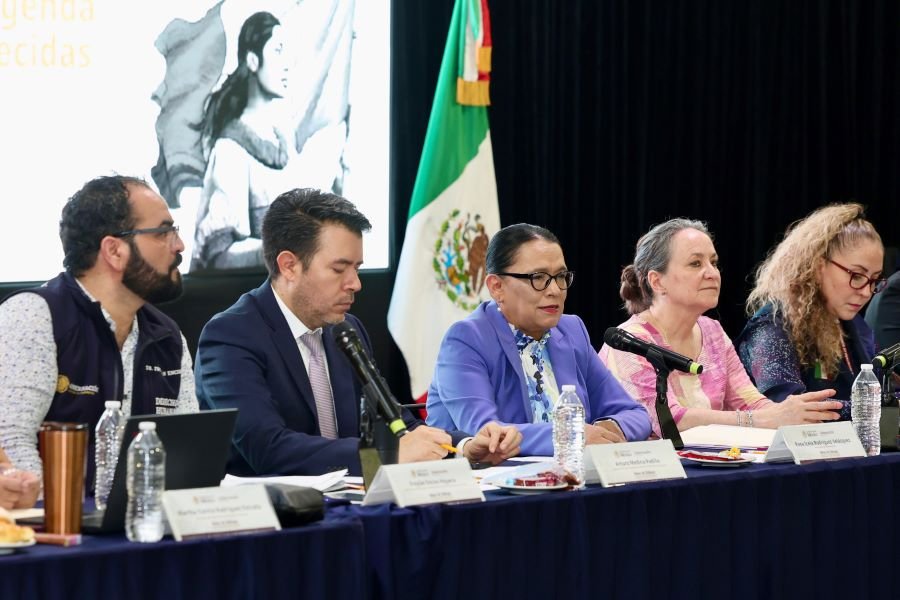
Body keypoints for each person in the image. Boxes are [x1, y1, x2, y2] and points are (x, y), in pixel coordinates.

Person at [195, 188, 521, 476]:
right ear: (289, 265)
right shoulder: (231, 336)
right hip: (273, 529)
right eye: (340, 269)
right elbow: (267, 449)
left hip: (350, 512)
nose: (356, 284)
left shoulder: (347, 330)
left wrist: (462, 446)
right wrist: (383, 457)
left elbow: (395, 421)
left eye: (358, 268)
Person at [0, 175, 199, 491]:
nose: (179, 245)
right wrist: (62, 515)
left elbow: (187, 450)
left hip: (139, 527)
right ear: (114, 250)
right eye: (164, 232)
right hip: (53, 529)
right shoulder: (34, 316)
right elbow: (10, 440)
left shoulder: (168, 336)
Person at [599, 219, 842, 437]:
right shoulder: (629, 342)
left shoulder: (712, 331)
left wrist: (794, 415)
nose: (712, 273)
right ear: (657, 281)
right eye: (695, 263)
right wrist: (764, 419)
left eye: (713, 263)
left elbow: (749, 402)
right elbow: (666, 420)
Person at [426, 223, 651, 456]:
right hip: (488, 484)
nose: (554, 289)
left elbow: (635, 414)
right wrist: (573, 435)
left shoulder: (571, 330)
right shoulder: (467, 339)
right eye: (539, 277)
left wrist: (609, 427)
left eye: (561, 276)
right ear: (497, 287)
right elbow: (486, 432)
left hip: (570, 479)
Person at [192, 10, 347, 271]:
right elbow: (218, 257)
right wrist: (290, 252)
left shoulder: (284, 140)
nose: (286, 63)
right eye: (277, 51)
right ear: (253, 60)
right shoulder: (231, 150)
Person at [737, 203, 888, 417]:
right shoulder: (771, 326)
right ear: (818, 267)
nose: (866, 292)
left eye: (874, 281)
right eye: (856, 276)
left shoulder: (853, 325)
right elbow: (790, 408)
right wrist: (882, 411)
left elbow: (883, 391)